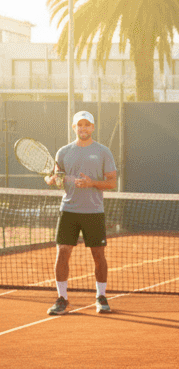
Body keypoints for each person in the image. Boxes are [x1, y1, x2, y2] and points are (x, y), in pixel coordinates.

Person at [46, 110, 118, 316]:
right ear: (74, 127)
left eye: (87, 125)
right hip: (68, 210)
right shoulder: (63, 152)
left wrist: (92, 183)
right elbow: (57, 178)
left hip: (94, 212)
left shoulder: (103, 152)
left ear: (93, 128)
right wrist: (53, 180)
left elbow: (112, 182)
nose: (83, 128)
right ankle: (62, 299)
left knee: (98, 255)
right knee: (63, 253)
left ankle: (101, 297)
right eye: (80, 125)